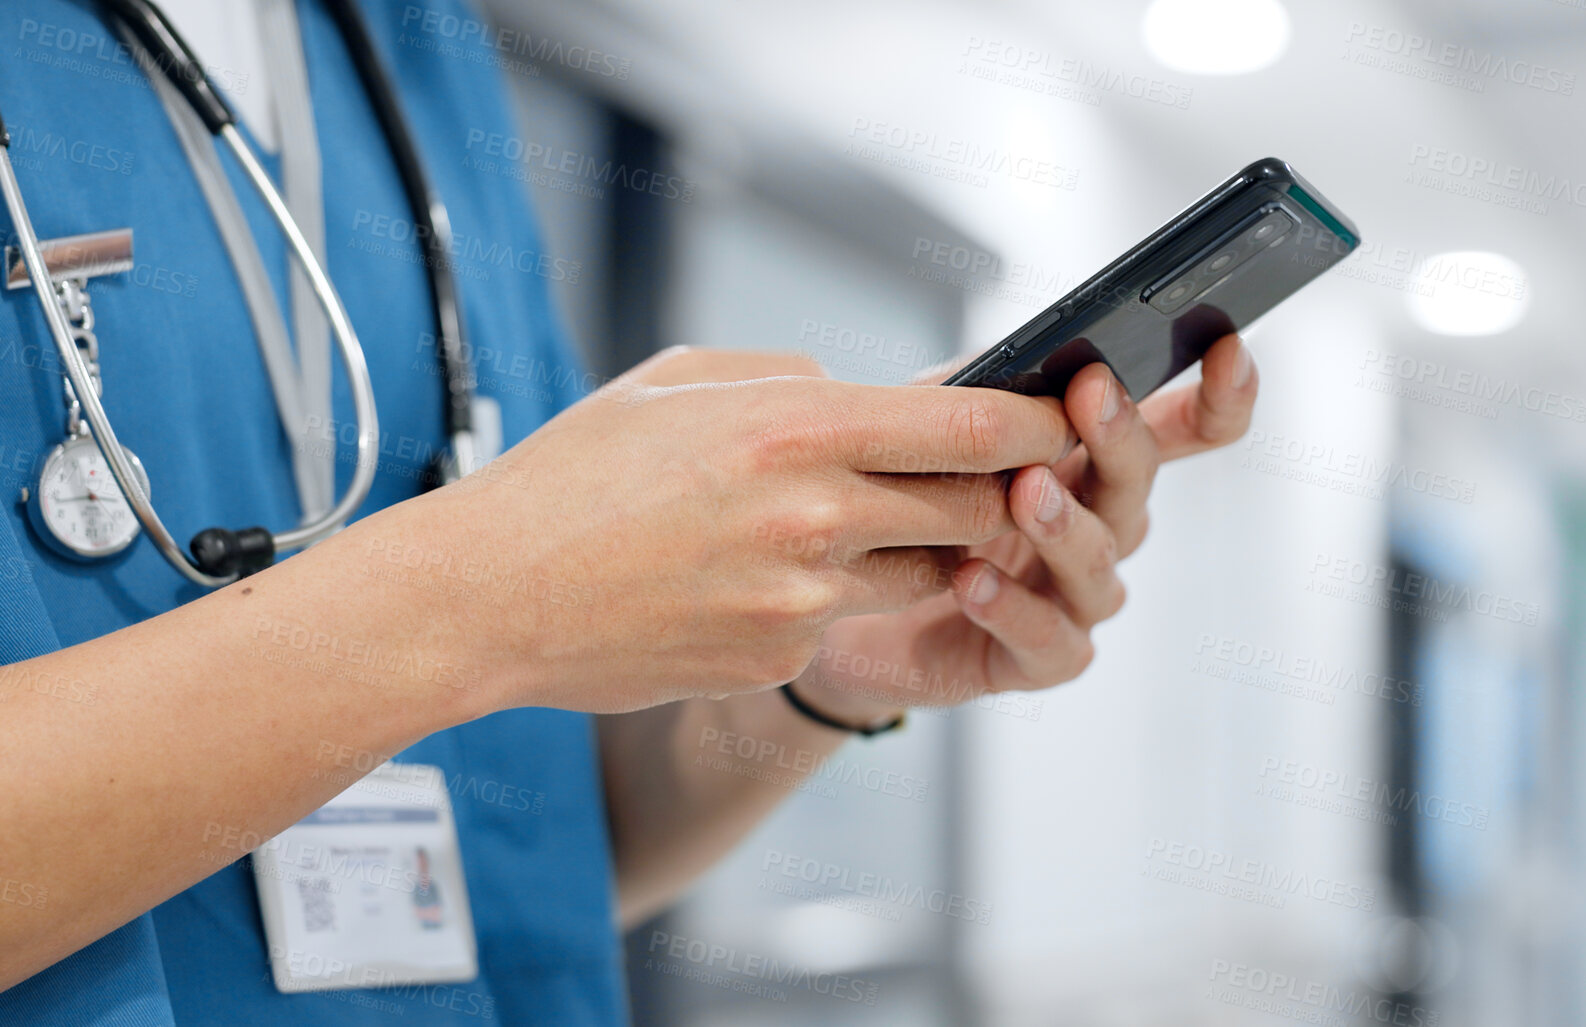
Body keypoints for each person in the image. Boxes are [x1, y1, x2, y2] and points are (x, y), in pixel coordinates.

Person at [0, 0, 1260, 1022]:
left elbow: (537, 850)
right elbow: (476, 614)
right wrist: (483, 595)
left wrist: (822, 669)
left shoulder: (412, 50)